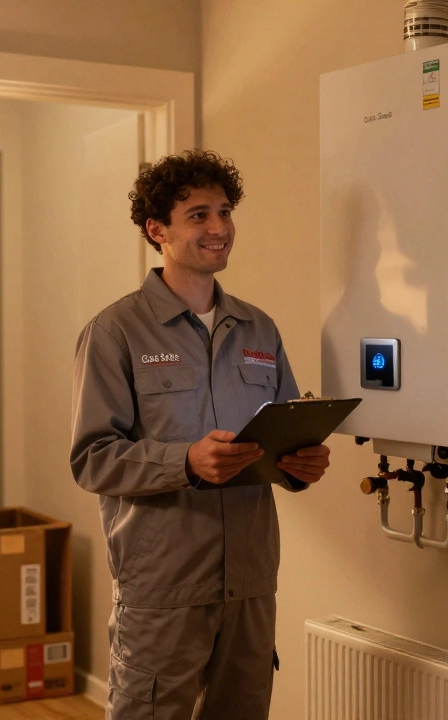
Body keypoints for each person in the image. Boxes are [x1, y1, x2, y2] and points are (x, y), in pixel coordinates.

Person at [70, 149, 331, 720]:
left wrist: (301, 466)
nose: (219, 228)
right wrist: (185, 462)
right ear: (156, 229)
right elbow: (93, 459)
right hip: (163, 586)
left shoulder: (259, 328)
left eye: (225, 211)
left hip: (252, 580)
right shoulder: (115, 331)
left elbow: (282, 433)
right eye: (198, 215)